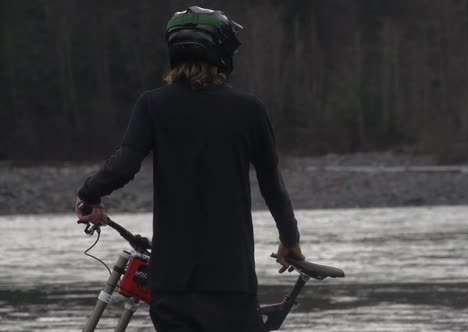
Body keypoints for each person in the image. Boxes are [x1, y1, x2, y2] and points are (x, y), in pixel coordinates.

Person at [75, 6, 304, 332]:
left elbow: (123, 166)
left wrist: (89, 195)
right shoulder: (248, 110)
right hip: (231, 278)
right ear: (222, 52)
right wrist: (289, 238)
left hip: (172, 282)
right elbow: (271, 183)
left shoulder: (152, 105)